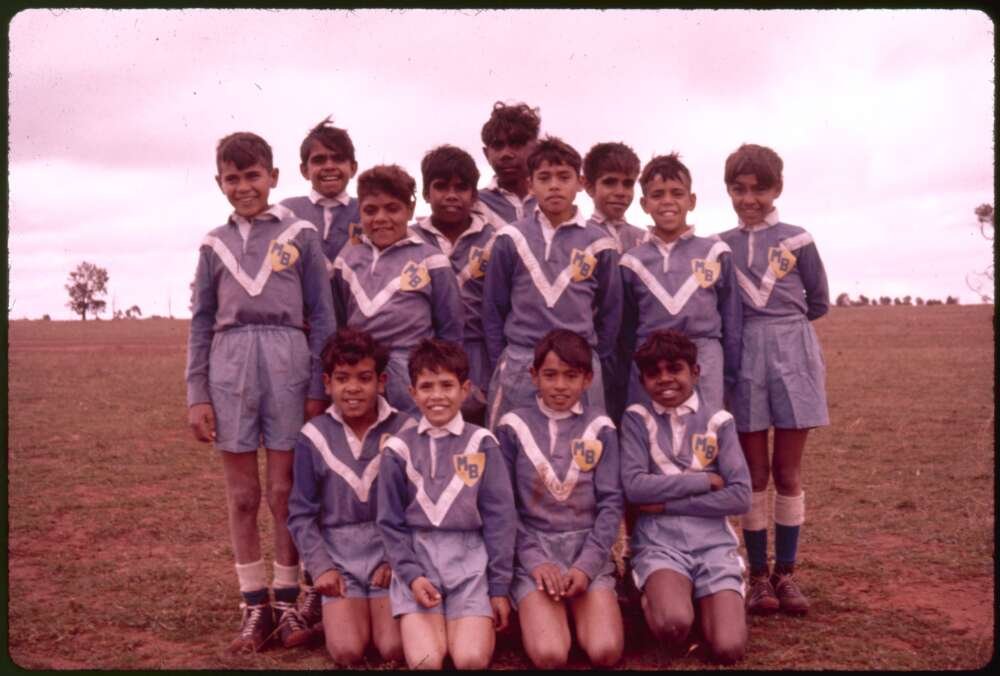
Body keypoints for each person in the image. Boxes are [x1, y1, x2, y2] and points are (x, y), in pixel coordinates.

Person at [186, 131, 336, 652]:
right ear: (219, 183)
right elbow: (201, 322)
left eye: (254, 176)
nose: (244, 186)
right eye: (233, 178)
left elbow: (322, 315)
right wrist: (197, 393)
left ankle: (290, 602)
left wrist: (318, 384)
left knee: (284, 493)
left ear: (274, 177)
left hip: (288, 364)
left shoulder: (302, 234)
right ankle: (254, 606)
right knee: (244, 495)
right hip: (230, 367)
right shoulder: (212, 243)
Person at [717, 143, 830, 615]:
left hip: (793, 353)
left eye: (759, 190)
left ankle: (787, 574)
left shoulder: (798, 238)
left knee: (787, 471)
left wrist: (786, 336)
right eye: (739, 190)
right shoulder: (719, 245)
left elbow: (818, 300)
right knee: (753, 473)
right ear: (728, 191)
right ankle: (757, 577)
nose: (749, 199)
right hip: (744, 357)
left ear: (777, 189)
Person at [376, 339, 516, 670]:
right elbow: (389, 522)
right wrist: (410, 575)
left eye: (447, 385)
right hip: (419, 560)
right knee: (426, 662)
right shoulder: (398, 449)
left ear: (465, 389)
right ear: (412, 392)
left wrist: (498, 588)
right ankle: (430, 620)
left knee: (469, 659)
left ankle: (465, 621)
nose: (437, 395)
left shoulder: (482, 442)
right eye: (426, 386)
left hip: (470, 563)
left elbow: (501, 519)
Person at [619, 330, 750, 664]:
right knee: (672, 624)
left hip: (713, 544)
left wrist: (664, 504)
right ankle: (654, 596)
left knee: (728, 648)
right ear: (643, 379)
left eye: (674, 368)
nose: (665, 379)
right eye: (654, 373)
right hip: (660, 543)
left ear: (695, 371)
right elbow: (634, 487)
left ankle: (708, 598)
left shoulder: (720, 421)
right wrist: (704, 480)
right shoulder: (637, 418)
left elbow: (739, 497)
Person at [496, 329, 624, 669]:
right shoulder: (512, 426)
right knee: (550, 655)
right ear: (534, 375)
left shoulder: (601, 427)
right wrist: (535, 560)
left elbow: (611, 504)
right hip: (533, 551)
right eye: (550, 375)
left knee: (605, 651)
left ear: (588, 379)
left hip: (585, 549)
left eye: (571, 376)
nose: (560, 386)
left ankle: (591, 603)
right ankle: (539, 609)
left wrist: (586, 566)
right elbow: (505, 508)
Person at [286, 327, 411, 665]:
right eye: (342, 378)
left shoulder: (406, 429)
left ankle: (364, 614)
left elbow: (416, 506)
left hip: (388, 552)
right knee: (348, 651)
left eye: (364, 378)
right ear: (327, 383)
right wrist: (322, 567)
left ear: (381, 381)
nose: (353, 388)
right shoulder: (313, 435)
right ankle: (334, 618)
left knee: (394, 649)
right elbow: (300, 513)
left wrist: (396, 559)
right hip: (339, 557)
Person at [482, 136, 622, 428]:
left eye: (564, 177)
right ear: (531, 184)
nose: (555, 185)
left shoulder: (600, 242)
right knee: (510, 444)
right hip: (522, 361)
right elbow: (493, 308)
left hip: (578, 365)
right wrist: (502, 360)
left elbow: (611, 313)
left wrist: (591, 359)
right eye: (544, 178)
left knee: (582, 450)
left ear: (581, 183)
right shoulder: (511, 238)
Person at [330, 164, 464, 416]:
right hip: (361, 373)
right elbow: (338, 320)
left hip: (413, 373)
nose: (380, 218)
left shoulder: (432, 260)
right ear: (359, 212)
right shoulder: (346, 259)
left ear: (410, 209)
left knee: (413, 444)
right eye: (370, 210)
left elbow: (450, 329)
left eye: (392, 208)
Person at [619, 153, 742, 415]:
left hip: (704, 358)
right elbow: (626, 326)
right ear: (644, 203)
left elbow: (731, 319)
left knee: (704, 433)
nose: (667, 201)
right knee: (653, 434)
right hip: (651, 362)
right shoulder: (631, 261)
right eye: (657, 194)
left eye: (677, 193)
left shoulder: (716, 252)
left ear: (691, 200)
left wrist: (729, 374)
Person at [411, 145, 502, 424]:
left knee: (477, 428)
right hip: (424, 351)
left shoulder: (496, 239)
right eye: (441, 187)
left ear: (474, 195)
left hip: (479, 350)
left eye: (461, 188)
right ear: (426, 193)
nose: (451, 195)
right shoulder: (410, 239)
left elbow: (503, 303)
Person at [280, 116, 361, 270]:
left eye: (338, 159)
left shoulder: (366, 211)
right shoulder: (287, 211)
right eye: (319, 160)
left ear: (353, 168)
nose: (329, 166)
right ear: (304, 171)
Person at [478, 101, 541, 224]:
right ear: (486, 154)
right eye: (497, 146)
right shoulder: (476, 205)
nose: (506, 154)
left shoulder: (551, 200)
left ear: (535, 149)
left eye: (516, 144)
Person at [582, 141, 647, 254]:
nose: (620, 192)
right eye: (610, 182)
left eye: (628, 184)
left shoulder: (645, 240)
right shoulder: (577, 237)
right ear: (589, 187)